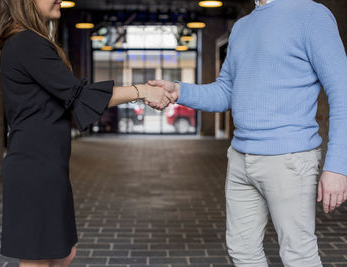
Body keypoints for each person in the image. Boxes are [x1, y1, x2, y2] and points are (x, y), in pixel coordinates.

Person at [148, 0, 347, 266]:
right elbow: (225, 92)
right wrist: (178, 91)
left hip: (289, 160)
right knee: (242, 251)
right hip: (241, 158)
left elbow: (342, 91)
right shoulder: (242, 27)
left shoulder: (311, 14)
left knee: (298, 255)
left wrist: (337, 166)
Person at [0, 0, 173, 266]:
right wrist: (142, 90)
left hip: (46, 165)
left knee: (64, 253)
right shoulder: (26, 43)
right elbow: (79, 96)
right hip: (34, 168)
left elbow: (65, 99)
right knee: (38, 259)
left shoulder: (28, 42)